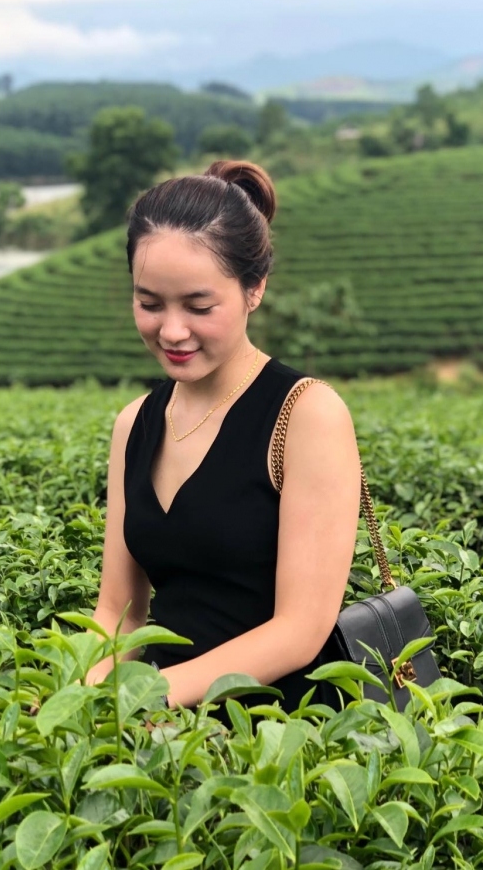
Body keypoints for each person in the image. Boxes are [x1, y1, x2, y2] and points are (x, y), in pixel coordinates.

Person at [84, 160, 361, 712]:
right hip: (161, 732)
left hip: (281, 731)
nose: (172, 330)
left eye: (199, 306)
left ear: (254, 289)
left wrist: (147, 702)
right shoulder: (134, 423)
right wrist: (80, 700)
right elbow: (119, 610)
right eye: (149, 303)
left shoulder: (306, 414)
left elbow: (300, 630)